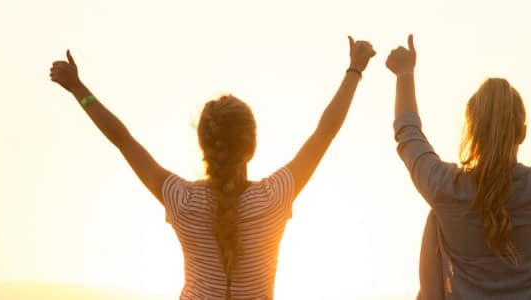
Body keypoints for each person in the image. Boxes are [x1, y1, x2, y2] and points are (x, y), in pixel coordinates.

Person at [48, 37, 376, 300]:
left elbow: (123, 140)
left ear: (203, 145)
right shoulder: (274, 197)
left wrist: (80, 90)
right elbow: (325, 132)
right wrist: (355, 70)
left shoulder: (182, 200)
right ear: (252, 147)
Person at [386, 33, 531, 299]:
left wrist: (404, 74)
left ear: (471, 131)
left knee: (436, 217)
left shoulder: (445, 189)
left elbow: (408, 134)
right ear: (523, 132)